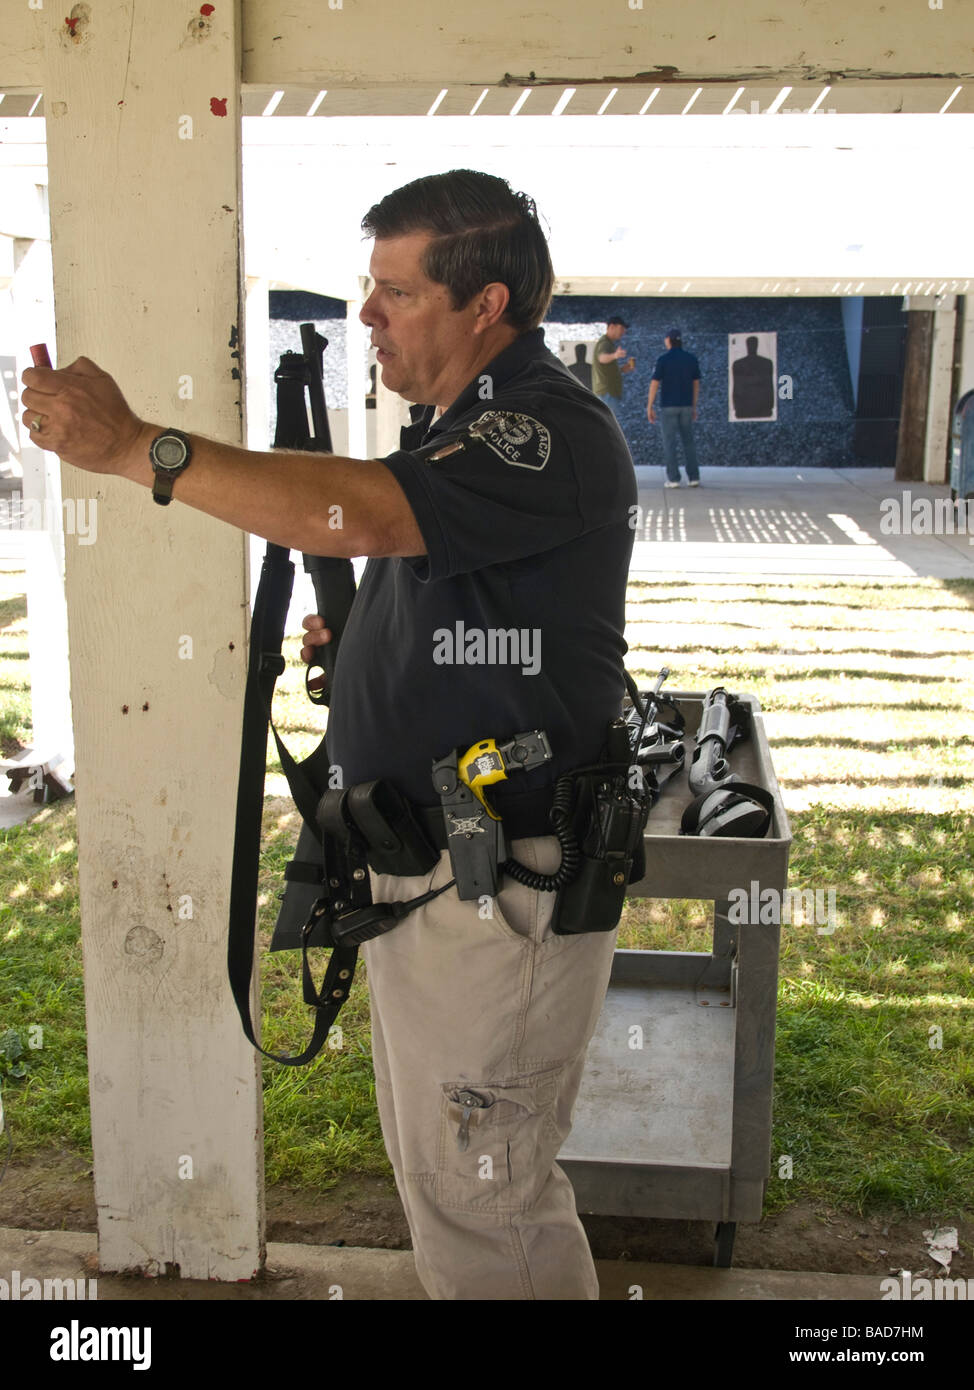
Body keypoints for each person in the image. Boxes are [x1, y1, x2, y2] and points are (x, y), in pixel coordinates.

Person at [21, 169, 637, 1301]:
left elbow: (359, 509)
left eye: (395, 292)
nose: (367, 316)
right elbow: (428, 556)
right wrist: (366, 649)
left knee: (482, 1183)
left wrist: (138, 451)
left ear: (484, 305)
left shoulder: (544, 430)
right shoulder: (463, 429)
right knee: (446, 1174)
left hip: (500, 883)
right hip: (439, 869)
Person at [647, 327, 702, 487]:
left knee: (669, 442)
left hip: (668, 407)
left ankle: (673, 479)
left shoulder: (663, 359)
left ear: (668, 341)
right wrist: (694, 406)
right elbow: (696, 384)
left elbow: (654, 384)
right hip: (686, 406)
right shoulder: (691, 359)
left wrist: (649, 406)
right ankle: (693, 477)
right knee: (688, 442)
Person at [590, 316, 635, 423]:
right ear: (611, 327)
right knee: (609, 424)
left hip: (608, 393)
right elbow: (602, 358)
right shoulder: (605, 343)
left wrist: (623, 369)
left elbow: (606, 366)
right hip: (607, 393)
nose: (623, 332)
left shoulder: (608, 343)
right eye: (621, 328)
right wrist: (615, 355)